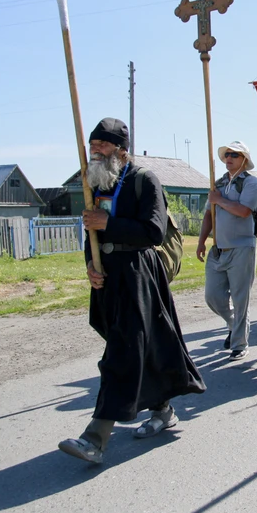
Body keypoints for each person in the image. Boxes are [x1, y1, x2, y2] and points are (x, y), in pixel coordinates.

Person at [59, 118, 205, 465]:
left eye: (103, 145)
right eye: (93, 144)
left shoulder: (143, 180)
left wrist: (108, 223)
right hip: (107, 277)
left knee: (122, 353)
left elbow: (154, 232)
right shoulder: (95, 183)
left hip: (139, 274)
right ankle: (163, 409)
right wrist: (90, 266)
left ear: (121, 150)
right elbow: (90, 232)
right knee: (142, 346)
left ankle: (95, 438)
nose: (95, 150)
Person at [196, 141, 257, 361]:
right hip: (218, 249)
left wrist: (219, 200)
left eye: (234, 154)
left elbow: (243, 211)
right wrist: (201, 240)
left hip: (242, 248)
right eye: (227, 154)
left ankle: (240, 343)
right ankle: (234, 325)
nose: (229, 158)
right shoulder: (219, 184)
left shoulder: (251, 183)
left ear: (244, 159)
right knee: (212, 296)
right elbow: (208, 215)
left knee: (241, 297)